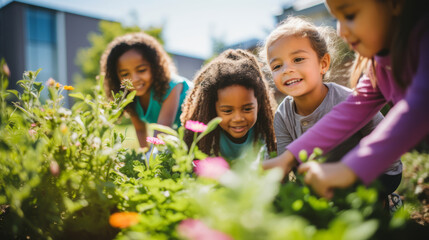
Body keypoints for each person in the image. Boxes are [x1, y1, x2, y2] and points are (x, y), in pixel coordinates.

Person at [263, 0, 429, 200]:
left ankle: (386, 205)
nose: (341, 31)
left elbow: (417, 109)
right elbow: (346, 115)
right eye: (337, 19)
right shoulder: (379, 66)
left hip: (381, 172)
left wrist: (347, 169)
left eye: (349, 16)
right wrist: (287, 158)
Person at [180, 49, 277, 161]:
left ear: (259, 105)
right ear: (213, 108)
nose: (238, 118)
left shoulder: (264, 134)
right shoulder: (204, 138)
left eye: (247, 109)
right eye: (227, 111)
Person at [101, 32, 192, 148]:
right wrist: (145, 155)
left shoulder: (172, 85)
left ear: (156, 66)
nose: (134, 79)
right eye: (125, 74)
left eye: (142, 70)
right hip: (183, 138)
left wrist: (151, 160)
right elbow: (140, 130)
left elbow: (162, 132)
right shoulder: (130, 97)